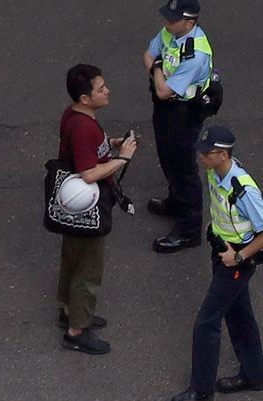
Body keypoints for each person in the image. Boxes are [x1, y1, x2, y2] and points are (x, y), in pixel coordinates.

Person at [169, 125, 263, 401]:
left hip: (235, 261)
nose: (201, 156)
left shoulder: (243, 189)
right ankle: (254, 374)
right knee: (238, 312)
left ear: (224, 155)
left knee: (207, 322)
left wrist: (239, 257)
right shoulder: (214, 171)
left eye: (207, 153)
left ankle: (201, 389)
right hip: (222, 250)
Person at [57, 64, 137, 354]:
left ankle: (69, 309)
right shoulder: (84, 129)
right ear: (85, 98)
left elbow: (89, 149)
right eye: (100, 89)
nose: (107, 91)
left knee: (72, 258)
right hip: (88, 206)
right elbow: (89, 173)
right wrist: (123, 158)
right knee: (88, 269)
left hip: (70, 205)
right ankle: (77, 328)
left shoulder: (76, 116)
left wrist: (111, 143)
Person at [143, 0, 216, 253]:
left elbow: (163, 89)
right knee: (166, 156)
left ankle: (189, 230)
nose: (166, 22)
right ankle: (175, 201)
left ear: (190, 23)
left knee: (183, 168)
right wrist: (157, 67)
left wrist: (158, 67)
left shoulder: (196, 54)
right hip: (166, 109)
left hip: (184, 113)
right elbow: (147, 55)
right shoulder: (169, 32)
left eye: (172, 19)